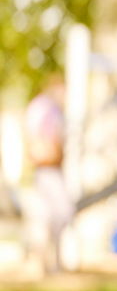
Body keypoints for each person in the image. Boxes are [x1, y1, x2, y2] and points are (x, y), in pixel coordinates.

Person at [23, 76, 74, 274]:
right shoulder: (44, 109)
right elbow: (38, 141)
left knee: (54, 216)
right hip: (46, 169)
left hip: (50, 169)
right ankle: (46, 263)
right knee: (55, 214)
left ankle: (50, 262)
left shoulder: (44, 108)